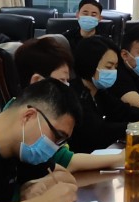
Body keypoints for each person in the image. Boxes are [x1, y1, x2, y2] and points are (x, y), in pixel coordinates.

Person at [11, 38, 124, 172]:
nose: (67, 88)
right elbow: (66, 161)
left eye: (67, 81)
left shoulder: (40, 111)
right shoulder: (30, 119)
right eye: (61, 81)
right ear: (37, 81)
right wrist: (120, 158)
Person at [72, 38, 139, 149]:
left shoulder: (99, 92)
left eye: (115, 67)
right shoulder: (75, 94)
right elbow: (99, 131)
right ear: (89, 65)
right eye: (108, 67)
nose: (113, 72)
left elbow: (124, 112)